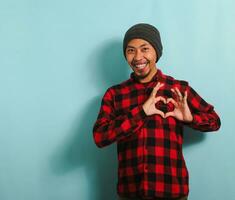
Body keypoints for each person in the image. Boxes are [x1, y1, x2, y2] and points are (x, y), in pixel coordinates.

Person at [92, 23, 221, 200]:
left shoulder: (178, 88)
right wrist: (141, 112)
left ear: (156, 52)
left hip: (172, 191)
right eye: (131, 50)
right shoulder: (115, 94)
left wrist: (190, 118)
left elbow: (214, 121)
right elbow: (100, 137)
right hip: (131, 192)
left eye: (145, 49)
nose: (138, 57)